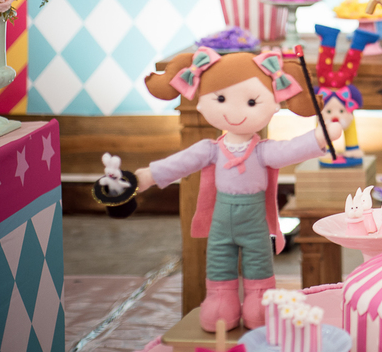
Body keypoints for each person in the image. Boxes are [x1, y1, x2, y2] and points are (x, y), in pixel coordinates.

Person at [135, 49, 342, 332]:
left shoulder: (263, 151)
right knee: (219, 262)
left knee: (259, 262)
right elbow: (179, 164)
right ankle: (221, 300)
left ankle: (260, 301)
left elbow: (291, 149)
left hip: (254, 222)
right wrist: (146, 177)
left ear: (273, 104)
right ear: (202, 102)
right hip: (220, 221)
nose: (234, 112)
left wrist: (320, 136)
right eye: (220, 99)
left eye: (251, 102)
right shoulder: (210, 150)